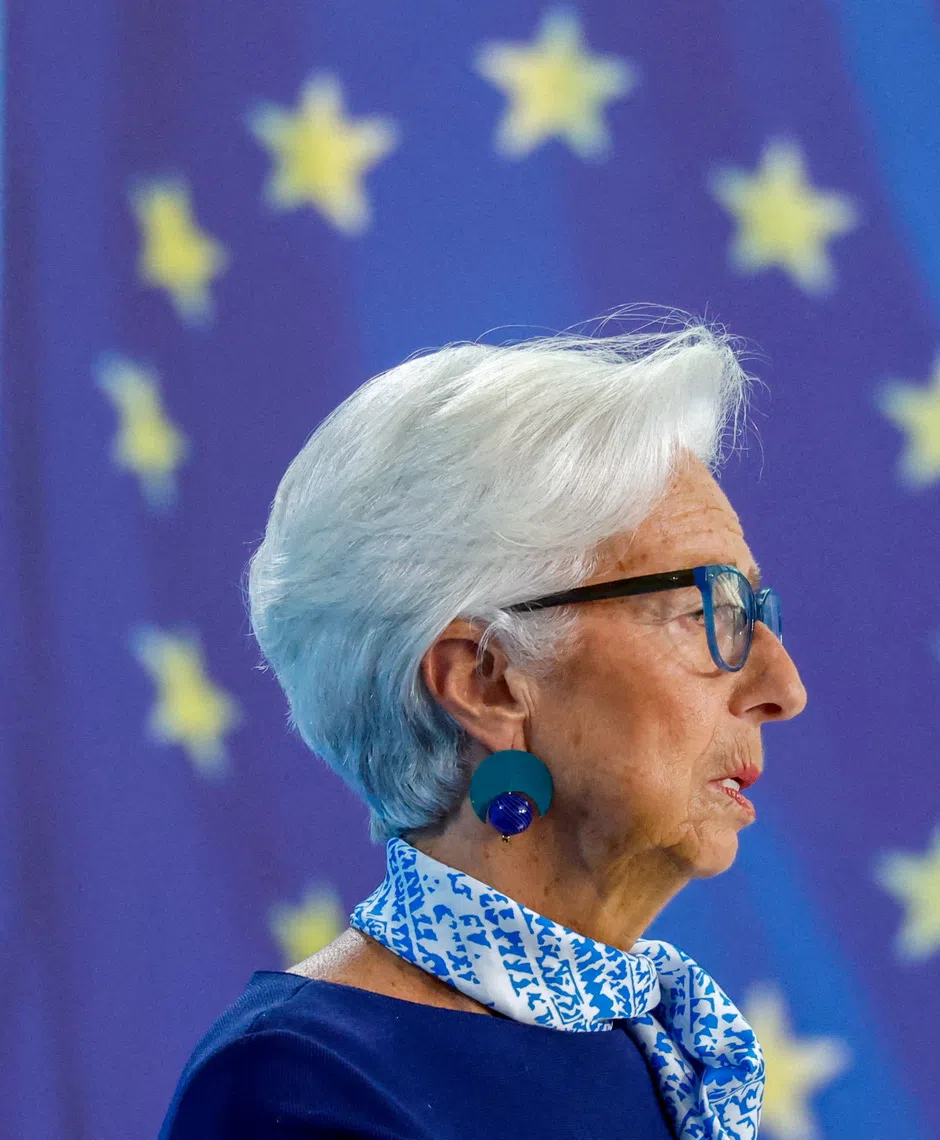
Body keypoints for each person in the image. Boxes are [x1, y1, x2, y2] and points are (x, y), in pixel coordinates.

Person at [159, 313, 807, 1139]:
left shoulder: (663, 1054)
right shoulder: (303, 1089)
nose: (782, 687)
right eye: (702, 613)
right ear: (487, 681)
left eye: (753, 612)